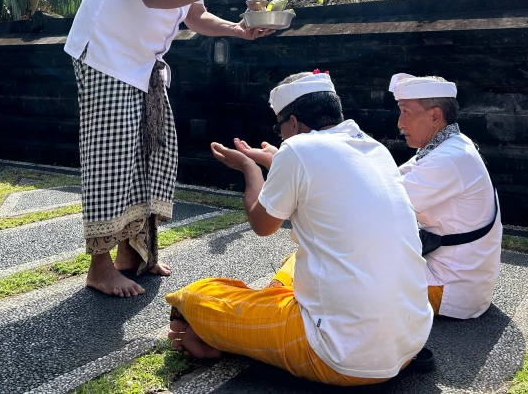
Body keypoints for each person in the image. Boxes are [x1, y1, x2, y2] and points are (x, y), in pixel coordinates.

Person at [63, 0, 273, 298]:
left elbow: (194, 15)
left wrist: (237, 29)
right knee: (112, 159)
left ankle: (133, 253)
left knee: (155, 155)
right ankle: (99, 267)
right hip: (106, 57)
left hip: (146, 67)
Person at [165, 71, 433, 386]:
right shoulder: (374, 149)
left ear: (293, 123)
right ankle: (255, 316)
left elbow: (263, 225)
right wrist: (277, 161)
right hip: (409, 341)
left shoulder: (297, 149)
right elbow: (314, 178)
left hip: (340, 355)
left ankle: (212, 330)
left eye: (279, 127)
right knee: (295, 260)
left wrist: (249, 169)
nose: (281, 135)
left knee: (197, 295)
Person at [387, 73, 502, 319]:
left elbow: (385, 204)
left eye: (405, 112)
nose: (400, 123)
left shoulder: (448, 158)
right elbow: (392, 179)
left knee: (348, 278)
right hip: (457, 275)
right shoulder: (450, 144)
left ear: (435, 116)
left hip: (449, 286)